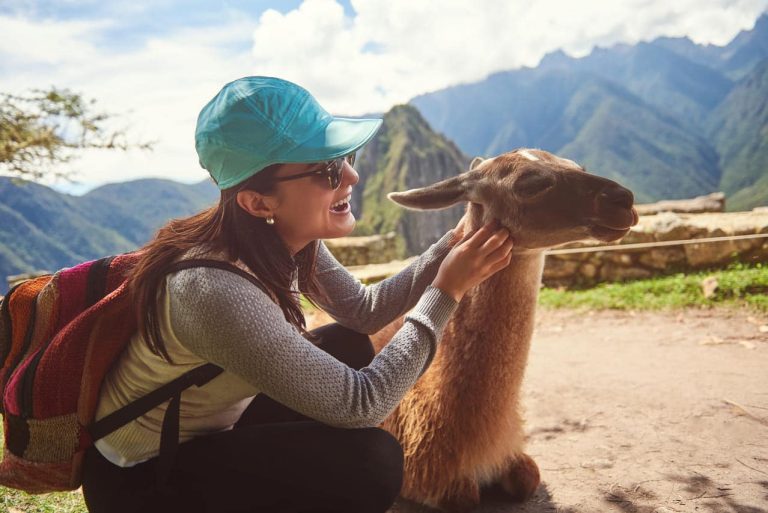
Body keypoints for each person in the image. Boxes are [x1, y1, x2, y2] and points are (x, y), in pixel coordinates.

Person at [81, 76, 514, 513]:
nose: (352, 175)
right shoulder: (211, 290)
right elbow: (361, 404)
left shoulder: (284, 239)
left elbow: (364, 311)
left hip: (211, 435)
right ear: (258, 203)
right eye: (327, 170)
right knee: (370, 465)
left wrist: (454, 241)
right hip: (142, 479)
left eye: (345, 156)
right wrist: (446, 290)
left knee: (347, 342)